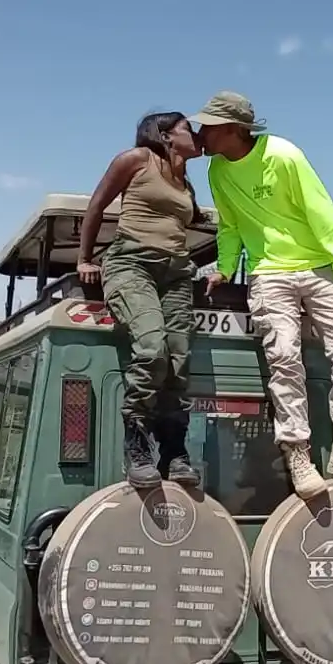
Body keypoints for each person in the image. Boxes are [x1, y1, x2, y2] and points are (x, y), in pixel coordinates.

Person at [194, 90, 333, 500]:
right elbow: (232, 225)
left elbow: (321, 211)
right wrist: (224, 267)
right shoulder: (218, 171)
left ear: (233, 130)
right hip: (269, 273)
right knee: (284, 357)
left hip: (318, 267)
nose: (201, 133)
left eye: (209, 126)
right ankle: (298, 453)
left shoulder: (284, 155)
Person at [77, 111, 204, 490]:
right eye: (188, 129)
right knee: (152, 348)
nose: (196, 135)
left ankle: (174, 452)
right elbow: (96, 207)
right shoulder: (134, 160)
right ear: (165, 134)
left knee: (179, 360)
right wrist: (85, 259)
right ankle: (137, 448)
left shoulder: (185, 181)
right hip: (132, 263)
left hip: (177, 273)